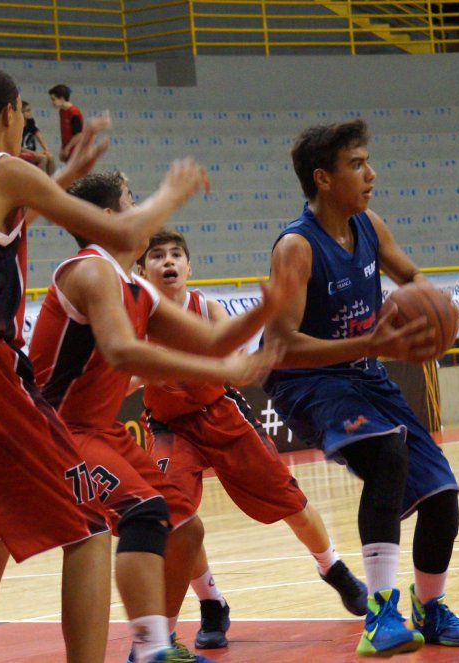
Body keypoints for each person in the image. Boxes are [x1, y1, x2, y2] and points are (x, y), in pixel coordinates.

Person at [0, 64, 209, 663]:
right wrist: (175, 190)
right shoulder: (6, 170)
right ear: (11, 113)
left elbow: (3, 222)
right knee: (87, 526)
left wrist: (66, 176)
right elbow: (125, 228)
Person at [29, 171, 284, 663]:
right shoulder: (89, 269)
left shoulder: (134, 288)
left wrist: (269, 308)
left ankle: (155, 641)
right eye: (133, 200)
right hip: (56, 433)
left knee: (184, 529)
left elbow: (212, 339)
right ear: (110, 219)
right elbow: (124, 353)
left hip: (97, 432)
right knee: (140, 513)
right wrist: (220, 367)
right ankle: (150, 648)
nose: (144, 209)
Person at [261, 119, 459, 657]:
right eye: (357, 164)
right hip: (305, 380)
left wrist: (435, 310)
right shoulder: (296, 247)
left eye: (368, 161)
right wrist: (369, 344)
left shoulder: (369, 225)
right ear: (324, 178)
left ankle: (430, 609)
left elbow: (413, 278)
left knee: (442, 493)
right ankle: (380, 613)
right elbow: (282, 346)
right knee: (387, 454)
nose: (371, 174)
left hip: (362, 373)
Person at [135, 228, 368, 650]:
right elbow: (122, 371)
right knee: (176, 519)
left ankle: (331, 566)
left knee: (290, 502)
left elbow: (236, 363)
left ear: (189, 267)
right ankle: (211, 603)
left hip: (220, 415)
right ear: (141, 269)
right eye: (157, 255)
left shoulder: (206, 309)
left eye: (175, 254)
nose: (167, 261)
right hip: (172, 428)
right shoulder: (134, 320)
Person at [49, 83, 83, 163]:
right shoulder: (62, 111)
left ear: (61, 98)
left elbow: (78, 135)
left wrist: (67, 148)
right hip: (68, 149)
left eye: (54, 99)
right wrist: (63, 149)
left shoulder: (74, 112)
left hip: (76, 150)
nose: (52, 102)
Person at [20, 100, 55, 174]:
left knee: (50, 157)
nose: (30, 112)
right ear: (21, 113)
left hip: (32, 153)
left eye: (30, 110)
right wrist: (34, 153)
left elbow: (39, 136)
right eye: (27, 111)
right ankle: (39, 183)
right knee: (43, 158)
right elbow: (19, 147)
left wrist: (46, 149)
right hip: (20, 154)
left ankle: (51, 182)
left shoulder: (31, 122)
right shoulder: (17, 126)